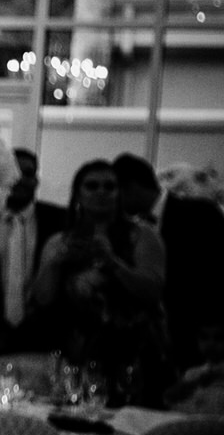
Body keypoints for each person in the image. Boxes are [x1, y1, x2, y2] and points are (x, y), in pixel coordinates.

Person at [30, 159, 167, 406]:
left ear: (119, 194)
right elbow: (42, 299)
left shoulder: (142, 236)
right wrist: (55, 263)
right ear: (78, 194)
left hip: (131, 354)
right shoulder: (60, 240)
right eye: (92, 186)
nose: (101, 192)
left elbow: (153, 291)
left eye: (109, 186)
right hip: (75, 356)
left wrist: (113, 263)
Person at [113, 152, 224, 373]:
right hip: (150, 340)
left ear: (131, 187)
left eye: (116, 191)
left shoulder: (200, 214)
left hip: (194, 335)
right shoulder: (129, 230)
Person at [0, 148, 68, 357]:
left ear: (36, 180)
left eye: (27, 173)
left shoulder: (60, 221)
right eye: (12, 172)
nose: (19, 179)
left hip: (45, 339)